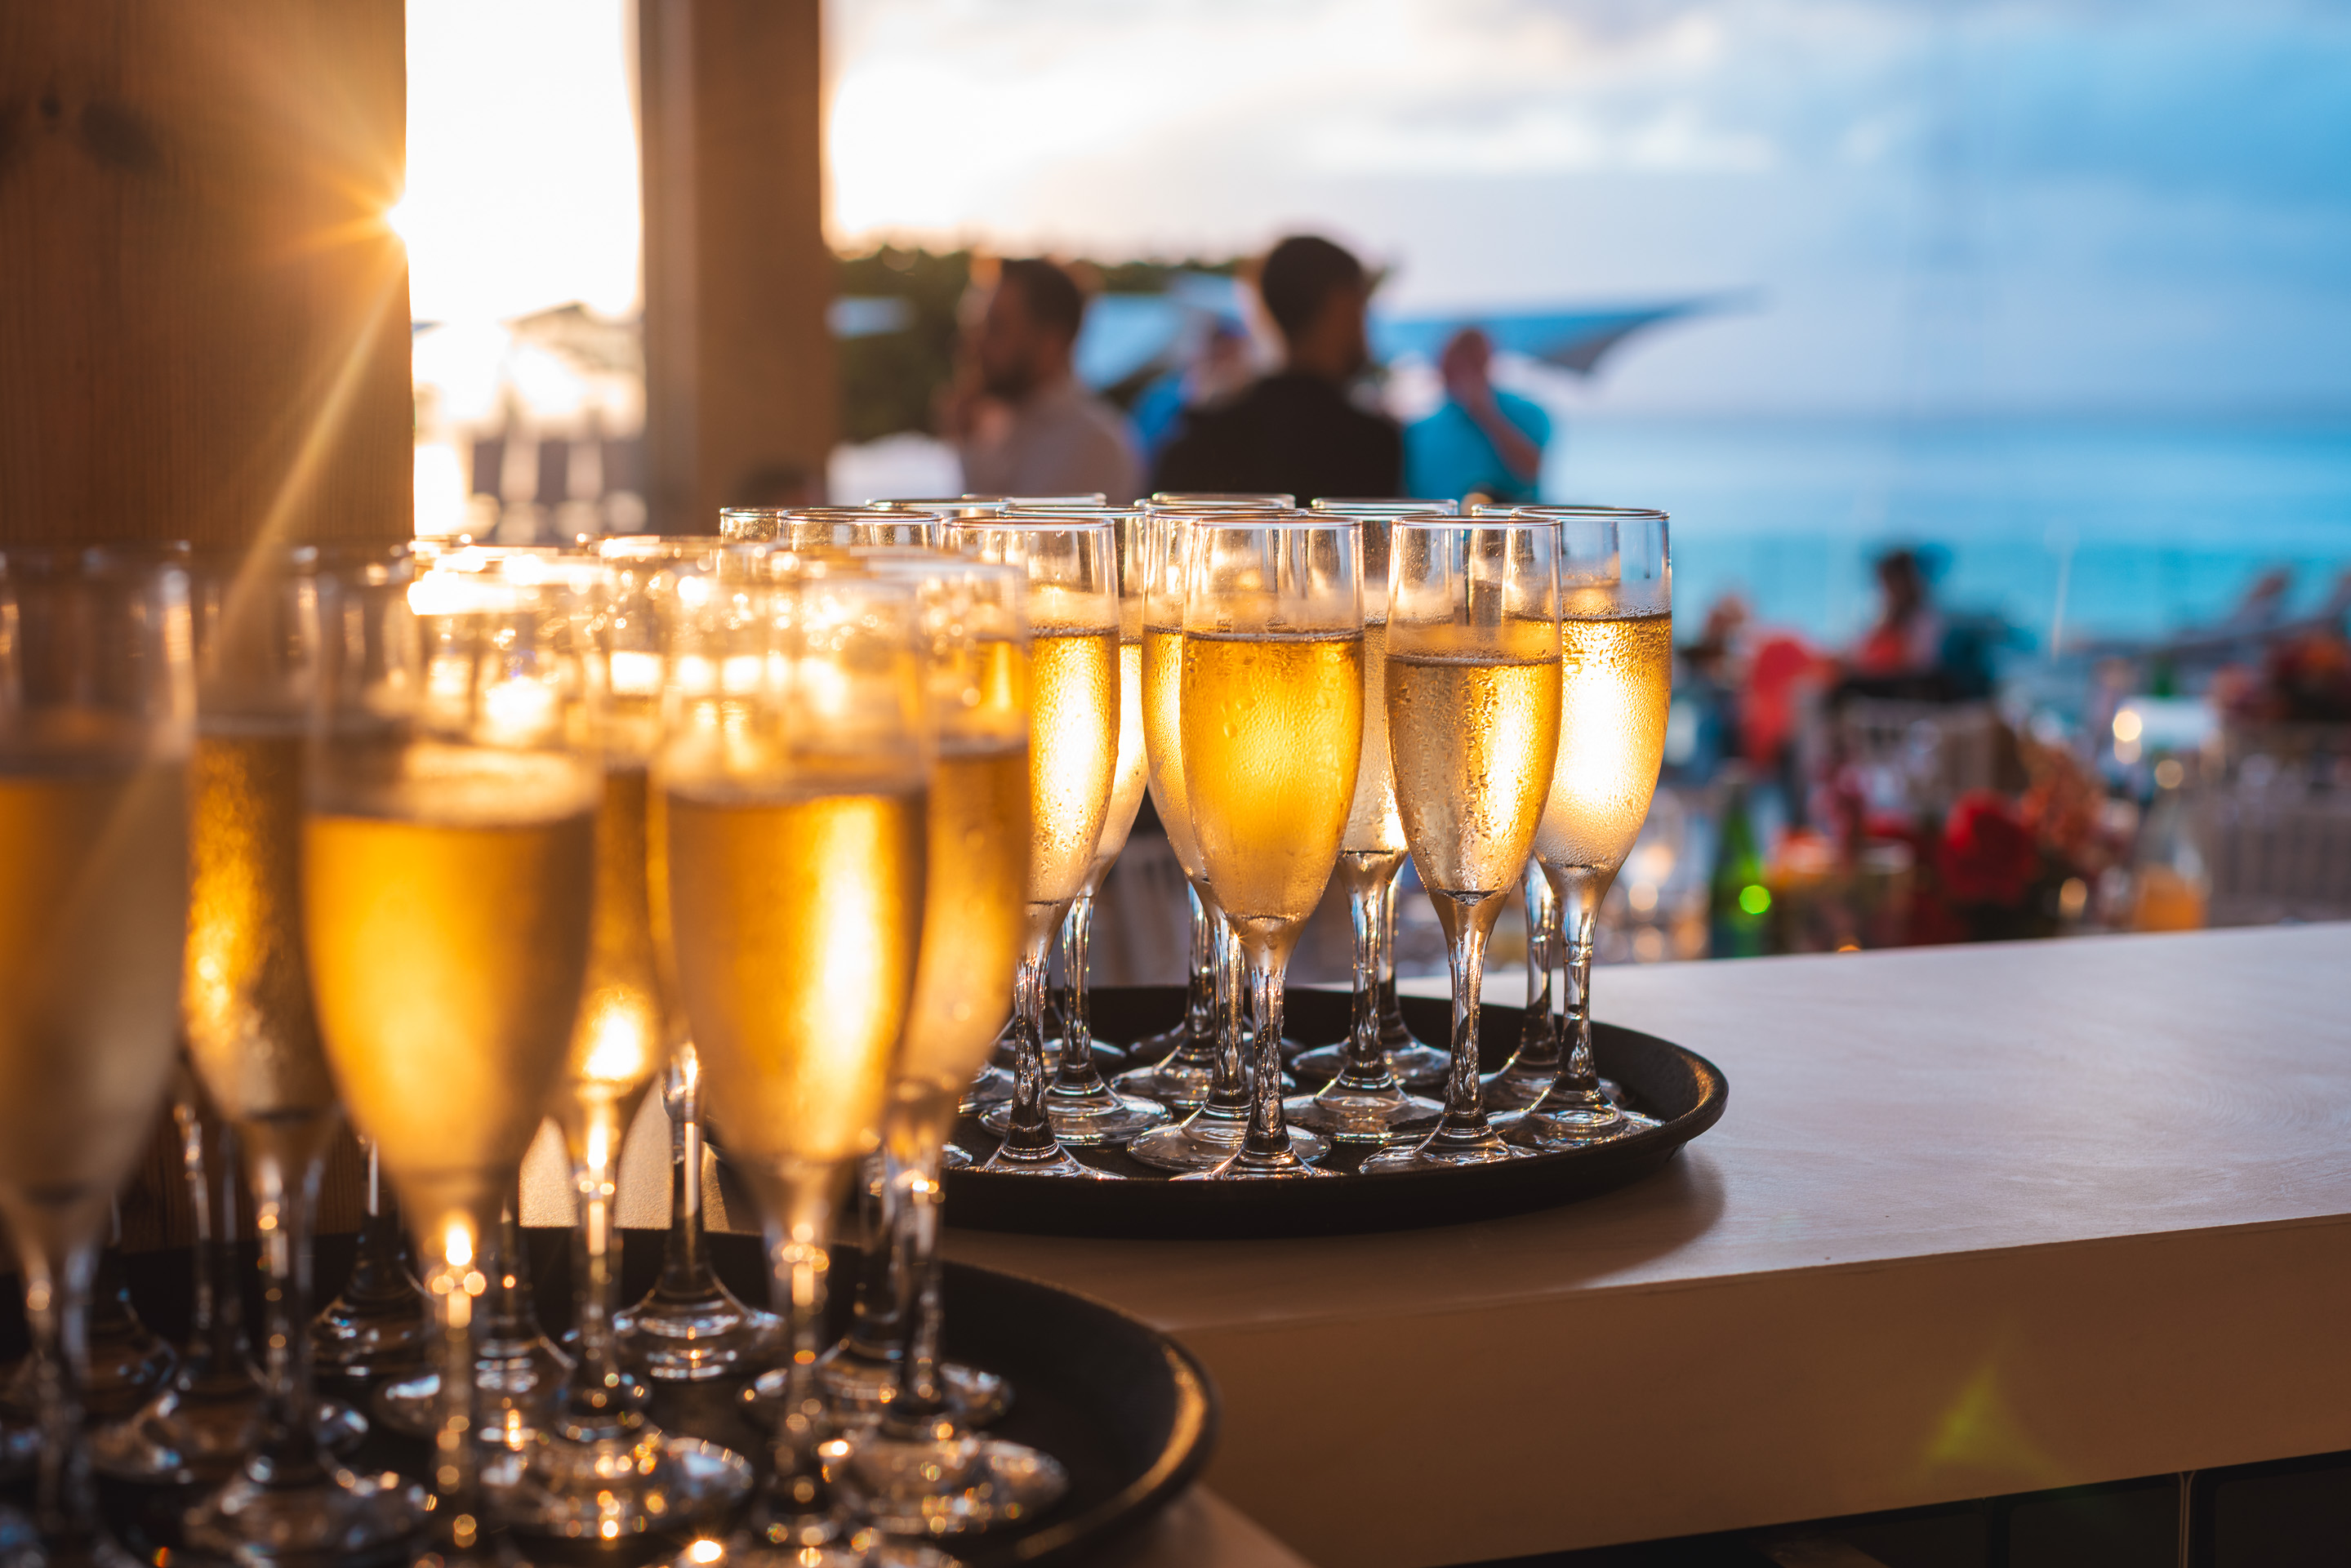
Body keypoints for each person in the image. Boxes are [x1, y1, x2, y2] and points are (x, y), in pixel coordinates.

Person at [1151, 235, 1401, 501]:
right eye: (1363, 304)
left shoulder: (1197, 443)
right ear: (1341, 304)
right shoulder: (1369, 444)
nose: (1367, 324)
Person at [946, 258, 1142, 504]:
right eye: (977, 326)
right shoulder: (999, 424)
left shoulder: (1093, 444)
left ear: (1052, 342)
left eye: (996, 328)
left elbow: (1006, 525)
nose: (974, 344)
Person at [1405, 327, 1550, 504]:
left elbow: (1531, 471)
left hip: (1506, 520)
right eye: (1452, 366)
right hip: (1440, 519)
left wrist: (1486, 414)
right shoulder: (1419, 430)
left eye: (1468, 364)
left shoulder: (1527, 414)